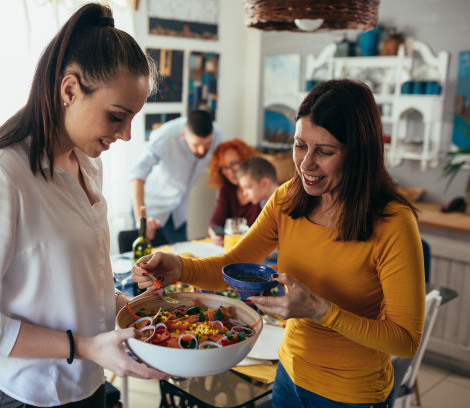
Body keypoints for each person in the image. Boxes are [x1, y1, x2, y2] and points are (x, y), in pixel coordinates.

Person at [133, 79, 425, 407]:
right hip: (288, 375)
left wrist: (321, 311)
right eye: (300, 145)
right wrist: (181, 267)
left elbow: (406, 340)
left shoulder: (393, 223)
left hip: (351, 394)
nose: (306, 163)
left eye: (325, 152)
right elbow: (231, 267)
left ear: (358, 152)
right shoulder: (288, 199)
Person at [0, 4, 168, 408]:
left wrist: (126, 309)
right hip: (21, 391)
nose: (126, 135)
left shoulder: (88, 163)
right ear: (70, 90)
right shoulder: (0, 176)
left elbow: (68, 278)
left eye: (132, 119)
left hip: (85, 380)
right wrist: (86, 347)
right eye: (117, 117)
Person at [130, 109, 222, 244]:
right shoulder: (164, 136)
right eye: (196, 145)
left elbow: (219, 169)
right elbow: (137, 173)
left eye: (207, 144)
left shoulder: (217, 134)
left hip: (179, 213)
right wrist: (141, 219)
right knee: (145, 259)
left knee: (182, 260)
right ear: (184, 135)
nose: (202, 150)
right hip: (150, 210)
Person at [206, 139, 262, 246]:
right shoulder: (227, 189)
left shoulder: (262, 187)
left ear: (247, 160)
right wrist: (215, 234)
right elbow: (216, 221)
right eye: (225, 167)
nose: (230, 171)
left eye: (234, 164)